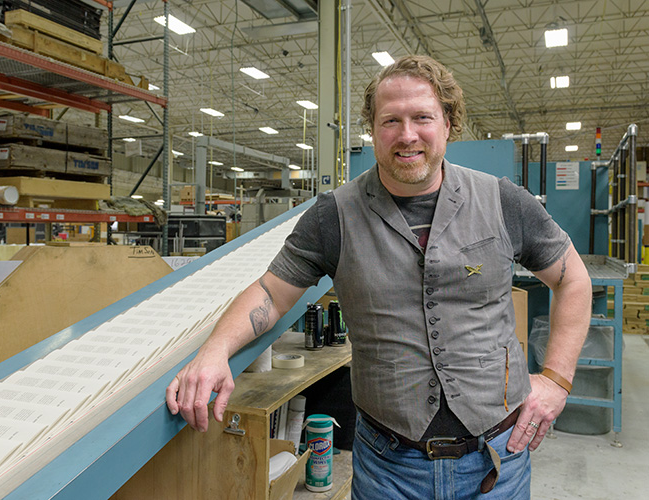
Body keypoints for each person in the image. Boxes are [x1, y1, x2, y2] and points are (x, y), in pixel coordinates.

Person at [166, 55, 592, 499]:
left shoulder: (503, 202)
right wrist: (215, 351)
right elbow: (271, 293)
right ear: (372, 130)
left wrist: (556, 380)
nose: (407, 135)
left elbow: (573, 279)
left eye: (422, 117)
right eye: (391, 120)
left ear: (448, 123)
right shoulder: (334, 217)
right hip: (390, 469)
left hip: (497, 461)